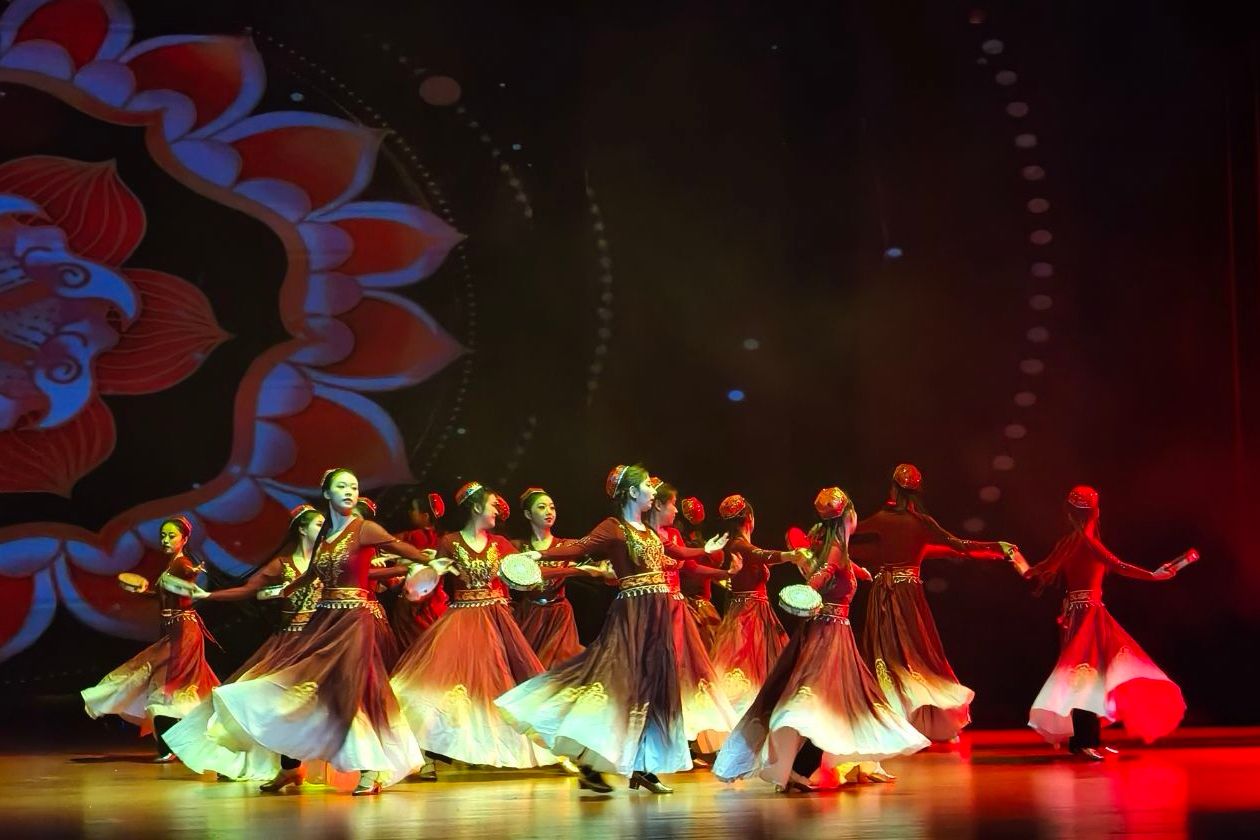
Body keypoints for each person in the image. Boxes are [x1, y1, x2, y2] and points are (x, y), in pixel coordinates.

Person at [494, 464, 738, 795]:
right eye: (647, 486)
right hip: (634, 613)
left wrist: (705, 550)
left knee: (653, 687)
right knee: (615, 680)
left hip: (658, 614)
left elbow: (675, 552)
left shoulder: (648, 529)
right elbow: (580, 547)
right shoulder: (613, 527)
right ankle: (592, 753)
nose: (653, 491)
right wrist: (539, 553)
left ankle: (642, 766)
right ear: (632, 492)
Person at [194, 468, 436, 795]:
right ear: (327, 493)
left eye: (354, 486)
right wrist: (285, 589)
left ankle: (371, 769)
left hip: (356, 619)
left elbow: (401, 549)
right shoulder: (326, 538)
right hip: (324, 620)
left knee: (352, 688)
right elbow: (311, 576)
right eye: (342, 486)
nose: (349, 491)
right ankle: (291, 768)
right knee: (303, 688)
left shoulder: (364, 528)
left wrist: (430, 562)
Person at [714, 488, 929, 792]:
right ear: (848, 516)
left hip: (832, 632)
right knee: (822, 700)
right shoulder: (835, 549)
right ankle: (799, 767)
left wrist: (856, 571)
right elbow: (825, 572)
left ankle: (808, 766)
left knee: (832, 701)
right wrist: (810, 586)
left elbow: (834, 566)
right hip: (828, 634)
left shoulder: (835, 547)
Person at [389, 482, 563, 775]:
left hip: (496, 621)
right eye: (493, 505)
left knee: (502, 683)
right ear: (477, 507)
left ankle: (516, 745)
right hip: (462, 621)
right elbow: (432, 582)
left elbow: (526, 574)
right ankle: (431, 749)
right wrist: (424, 577)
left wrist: (568, 568)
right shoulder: (450, 542)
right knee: (447, 687)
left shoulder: (500, 543)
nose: (497, 511)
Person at [851, 463, 1017, 742]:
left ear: (893, 489)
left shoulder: (882, 518)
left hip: (885, 597)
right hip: (909, 597)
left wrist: (820, 538)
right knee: (918, 656)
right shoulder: (923, 523)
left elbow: (849, 534)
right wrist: (994, 547)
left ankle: (893, 721)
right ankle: (920, 719)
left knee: (887, 656)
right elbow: (958, 545)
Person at [163, 505, 326, 782]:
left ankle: (303, 766)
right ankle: (255, 760)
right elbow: (249, 590)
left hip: (321, 640)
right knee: (264, 699)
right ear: (302, 529)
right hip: (288, 643)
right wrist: (209, 596)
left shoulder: (328, 561)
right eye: (318, 524)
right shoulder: (282, 565)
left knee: (316, 704)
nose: (324, 529)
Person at [1025, 485, 1186, 759]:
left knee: (1090, 675)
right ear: (1095, 513)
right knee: (1089, 675)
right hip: (1087, 615)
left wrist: (1019, 563)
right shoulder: (1088, 542)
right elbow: (1120, 566)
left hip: (1078, 614)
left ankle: (1088, 740)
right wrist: (1154, 575)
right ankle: (1084, 741)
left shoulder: (1067, 543)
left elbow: (1037, 570)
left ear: (1070, 514)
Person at [82, 516, 220, 761]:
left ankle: (172, 746)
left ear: (184, 539)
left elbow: (185, 583)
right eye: (163, 535)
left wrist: (190, 575)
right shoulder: (172, 564)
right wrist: (146, 591)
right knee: (158, 685)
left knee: (166, 689)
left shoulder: (182, 564)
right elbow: (169, 594)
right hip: (173, 632)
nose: (165, 540)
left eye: (171, 536)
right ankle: (174, 745)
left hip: (184, 633)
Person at [707, 494, 808, 717]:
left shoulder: (740, 545)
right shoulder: (739, 545)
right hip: (747, 615)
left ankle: (762, 713)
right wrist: (790, 555)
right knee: (746, 664)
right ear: (750, 518)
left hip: (757, 612)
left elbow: (759, 558)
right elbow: (761, 555)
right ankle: (746, 716)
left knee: (762, 667)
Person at [513, 487, 591, 668]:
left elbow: (594, 560)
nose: (549, 511)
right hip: (530, 613)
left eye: (552, 507)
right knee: (528, 665)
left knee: (559, 665)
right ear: (528, 514)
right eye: (542, 507)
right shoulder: (518, 547)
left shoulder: (567, 545)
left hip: (558, 614)